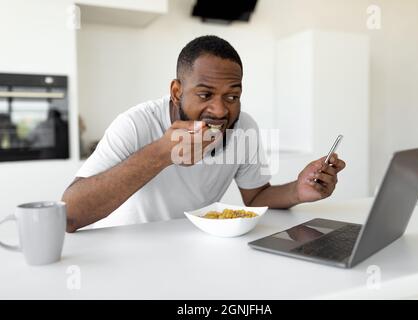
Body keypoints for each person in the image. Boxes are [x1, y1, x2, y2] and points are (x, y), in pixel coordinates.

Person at [62, 35, 346, 233]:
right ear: (177, 91)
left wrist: (298, 189)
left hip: (197, 247)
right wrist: (161, 153)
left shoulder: (243, 127)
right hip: (127, 250)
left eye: (232, 96)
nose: (221, 111)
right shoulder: (136, 124)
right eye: (205, 94)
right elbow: (69, 216)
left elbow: (256, 197)